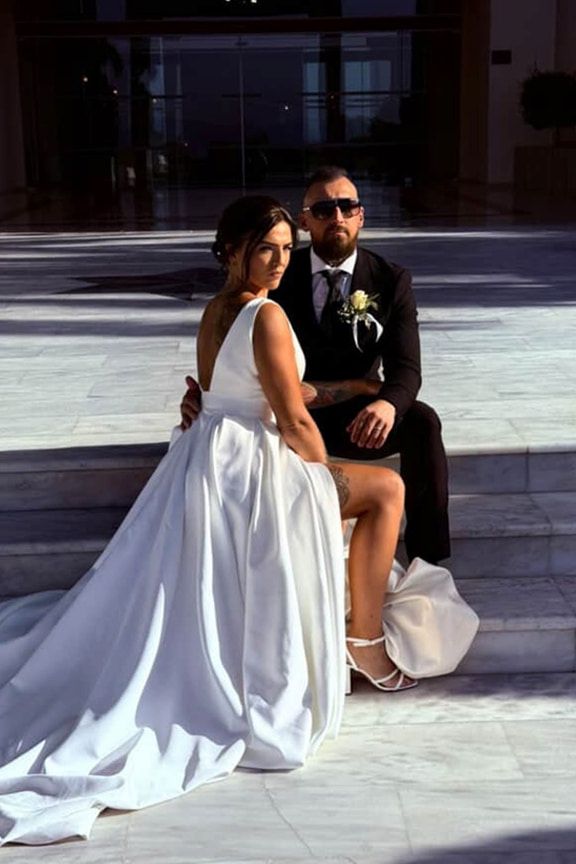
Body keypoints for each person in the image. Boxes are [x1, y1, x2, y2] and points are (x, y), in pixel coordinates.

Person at [0, 195, 418, 847]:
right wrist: (318, 474)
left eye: (286, 248)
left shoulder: (216, 309)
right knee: (386, 487)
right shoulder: (267, 314)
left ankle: (353, 629)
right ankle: (365, 643)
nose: (279, 261)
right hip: (251, 466)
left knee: (371, 489)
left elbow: (228, 391)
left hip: (207, 457)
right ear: (232, 250)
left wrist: (353, 393)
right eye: (265, 249)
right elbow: (292, 419)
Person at [182, 167, 450, 565]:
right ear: (305, 220)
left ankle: (428, 559)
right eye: (324, 209)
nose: (337, 217)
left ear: (361, 216)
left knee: (422, 422)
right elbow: (233, 344)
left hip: (355, 419)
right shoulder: (274, 273)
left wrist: (387, 404)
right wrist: (208, 396)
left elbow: (407, 368)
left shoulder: (390, 279)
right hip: (282, 417)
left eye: (347, 206)